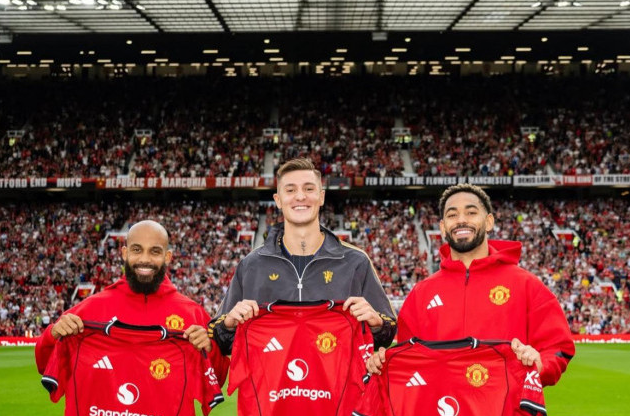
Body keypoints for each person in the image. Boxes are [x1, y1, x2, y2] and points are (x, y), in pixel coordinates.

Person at [367, 183, 575, 416]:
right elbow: (409, 363)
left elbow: (559, 348)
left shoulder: (526, 285)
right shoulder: (422, 293)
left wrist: (539, 364)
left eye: (471, 212)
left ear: (489, 222)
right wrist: (381, 362)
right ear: (442, 227)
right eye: (452, 215)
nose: (461, 220)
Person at [208, 157, 397, 354]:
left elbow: (387, 333)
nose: (300, 196)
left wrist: (377, 325)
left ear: (321, 197)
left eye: (308, 189)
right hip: (271, 375)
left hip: (336, 375)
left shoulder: (355, 261)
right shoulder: (251, 265)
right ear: (278, 200)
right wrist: (228, 326)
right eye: (290, 190)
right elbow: (220, 339)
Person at [36, 220, 215, 367]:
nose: (145, 259)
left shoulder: (194, 315)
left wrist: (210, 349)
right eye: (137, 250)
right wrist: (53, 335)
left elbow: (216, 377)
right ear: (124, 253)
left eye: (154, 251)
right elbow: (45, 364)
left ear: (167, 257)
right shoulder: (88, 310)